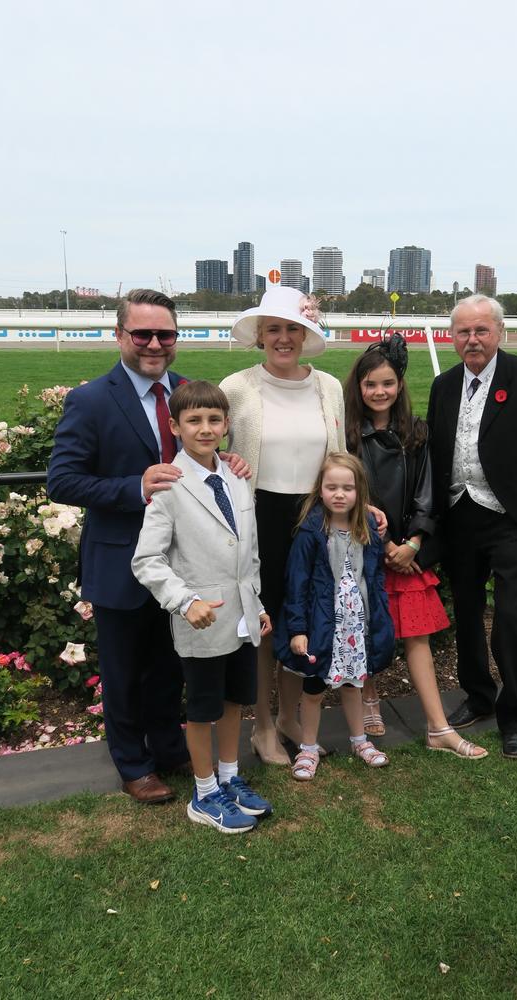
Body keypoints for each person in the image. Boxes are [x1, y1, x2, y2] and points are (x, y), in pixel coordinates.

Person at [47, 289, 247, 803]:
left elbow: (205, 457)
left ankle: (167, 749)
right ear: (120, 336)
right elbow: (63, 481)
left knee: (168, 666)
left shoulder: (187, 393)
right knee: (123, 672)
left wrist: (229, 464)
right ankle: (133, 764)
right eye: (143, 334)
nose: (155, 344)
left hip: (186, 569)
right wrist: (134, 486)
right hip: (121, 563)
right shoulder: (90, 399)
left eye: (166, 334)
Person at [427, 294, 517, 758]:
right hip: (459, 517)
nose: (472, 340)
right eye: (463, 333)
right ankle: (477, 696)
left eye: (481, 331)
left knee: (510, 617)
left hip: (510, 520)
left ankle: (516, 717)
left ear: (499, 332)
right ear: (453, 338)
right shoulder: (444, 385)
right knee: (467, 613)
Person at [131, 381, 272, 833]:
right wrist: (184, 601)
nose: (205, 428)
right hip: (202, 620)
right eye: (194, 420)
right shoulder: (170, 486)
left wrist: (258, 602)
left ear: (227, 425)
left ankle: (229, 778)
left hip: (241, 617)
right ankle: (204, 791)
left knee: (234, 701)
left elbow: (246, 551)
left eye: (214, 420)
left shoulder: (236, 476)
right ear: (175, 427)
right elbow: (146, 560)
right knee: (203, 709)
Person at [344, 335, 487, 759]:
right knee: (364, 629)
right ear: (359, 389)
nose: (379, 392)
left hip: (408, 551)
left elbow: (428, 491)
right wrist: (384, 541)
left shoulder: (416, 433)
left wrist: (414, 542)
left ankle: (438, 726)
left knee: (418, 637)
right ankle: (368, 697)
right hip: (365, 545)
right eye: (370, 385)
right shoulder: (350, 435)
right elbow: (349, 491)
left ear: (400, 385)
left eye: (387, 383)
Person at [219, 286, 346, 765]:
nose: (284, 338)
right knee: (263, 626)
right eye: (274, 328)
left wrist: (360, 506)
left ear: (307, 332)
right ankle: (263, 726)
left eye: (294, 328)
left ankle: (292, 717)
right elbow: (206, 446)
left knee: (303, 619)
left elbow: (342, 459)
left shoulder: (329, 386)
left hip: (313, 517)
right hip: (259, 518)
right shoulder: (237, 386)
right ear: (260, 335)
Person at [273, 453, 395, 780]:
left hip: (355, 625)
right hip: (320, 625)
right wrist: (298, 629)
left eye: (347, 488)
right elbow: (296, 583)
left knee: (354, 684)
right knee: (313, 689)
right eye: (332, 487)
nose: (339, 494)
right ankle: (308, 748)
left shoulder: (367, 528)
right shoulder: (311, 531)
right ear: (320, 490)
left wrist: (379, 614)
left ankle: (360, 741)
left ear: (360, 492)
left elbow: (375, 576)